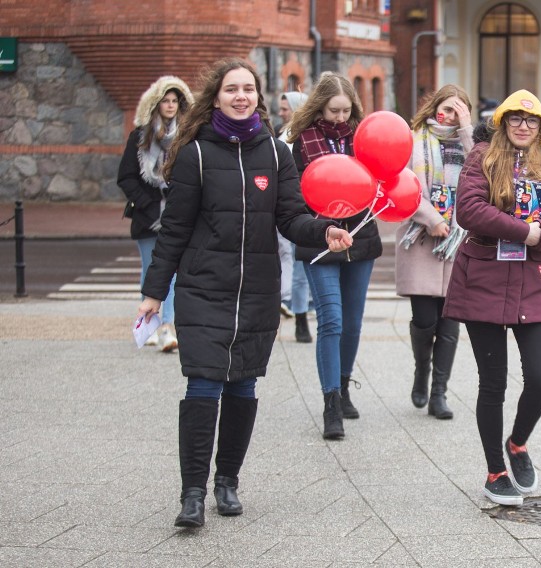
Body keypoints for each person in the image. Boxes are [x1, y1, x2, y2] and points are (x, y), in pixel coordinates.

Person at [136, 59, 352, 528]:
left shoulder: (275, 154)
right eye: (231, 89)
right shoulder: (194, 154)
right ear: (215, 98)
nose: (241, 96)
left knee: (243, 386)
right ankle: (192, 494)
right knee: (204, 384)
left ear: (257, 97)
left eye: (248, 89)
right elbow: (173, 231)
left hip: (256, 289)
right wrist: (155, 293)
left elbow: (292, 217)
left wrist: (324, 231)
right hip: (203, 287)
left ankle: (226, 482)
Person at [443, 90, 541, 506]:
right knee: (493, 383)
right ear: (502, 123)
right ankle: (494, 471)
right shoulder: (481, 157)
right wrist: (527, 231)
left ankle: (517, 444)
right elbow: (468, 210)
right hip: (482, 277)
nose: (523, 126)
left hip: (532, 281)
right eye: (515, 119)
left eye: (531, 120)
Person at [287, 71, 382, 440]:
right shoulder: (303, 141)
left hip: (359, 236)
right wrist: (319, 225)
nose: (340, 118)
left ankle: (343, 387)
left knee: (354, 321)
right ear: (319, 107)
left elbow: (382, 180)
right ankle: (330, 404)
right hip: (319, 238)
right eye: (333, 111)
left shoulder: (365, 138)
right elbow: (294, 193)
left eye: (346, 111)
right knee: (331, 319)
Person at [396, 84, 474, 420]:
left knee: (451, 321)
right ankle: (420, 370)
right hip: (423, 239)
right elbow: (402, 184)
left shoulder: (472, 144)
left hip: (460, 244)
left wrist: (468, 127)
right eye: (447, 108)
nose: (451, 116)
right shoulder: (413, 140)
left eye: (459, 110)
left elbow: (484, 174)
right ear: (433, 108)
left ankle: (439, 392)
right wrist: (431, 219)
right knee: (425, 319)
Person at [118, 76, 193, 352]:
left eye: (175, 101)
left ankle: (167, 326)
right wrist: (147, 203)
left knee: (172, 270)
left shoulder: (188, 136)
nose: (170, 105)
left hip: (177, 212)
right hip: (148, 214)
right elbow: (126, 177)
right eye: (165, 101)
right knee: (151, 268)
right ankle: (150, 323)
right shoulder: (140, 136)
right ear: (156, 103)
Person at [277, 91, 314, 343]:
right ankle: (299, 314)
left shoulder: (309, 136)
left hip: (311, 205)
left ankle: (303, 313)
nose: (282, 113)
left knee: (304, 265)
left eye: (285, 108)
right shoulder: (281, 134)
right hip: (288, 206)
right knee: (293, 260)